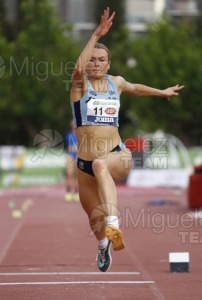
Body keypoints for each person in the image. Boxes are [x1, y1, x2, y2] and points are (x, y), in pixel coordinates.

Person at [70, 7, 184, 272]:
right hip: (84, 166)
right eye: (93, 59)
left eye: (101, 60)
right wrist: (96, 34)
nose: (96, 63)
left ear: (109, 64)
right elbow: (77, 67)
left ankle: (114, 223)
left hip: (117, 155)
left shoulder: (116, 83)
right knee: (93, 220)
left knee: (101, 164)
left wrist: (161, 91)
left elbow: (135, 88)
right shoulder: (80, 85)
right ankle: (103, 244)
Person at [64, 119, 79, 202]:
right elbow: (67, 146)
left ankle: (76, 193)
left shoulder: (80, 134)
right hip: (70, 156)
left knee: (77, 175)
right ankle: (68, 192)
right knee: (69, 174)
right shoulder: (68, 135)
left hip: (78, 156)